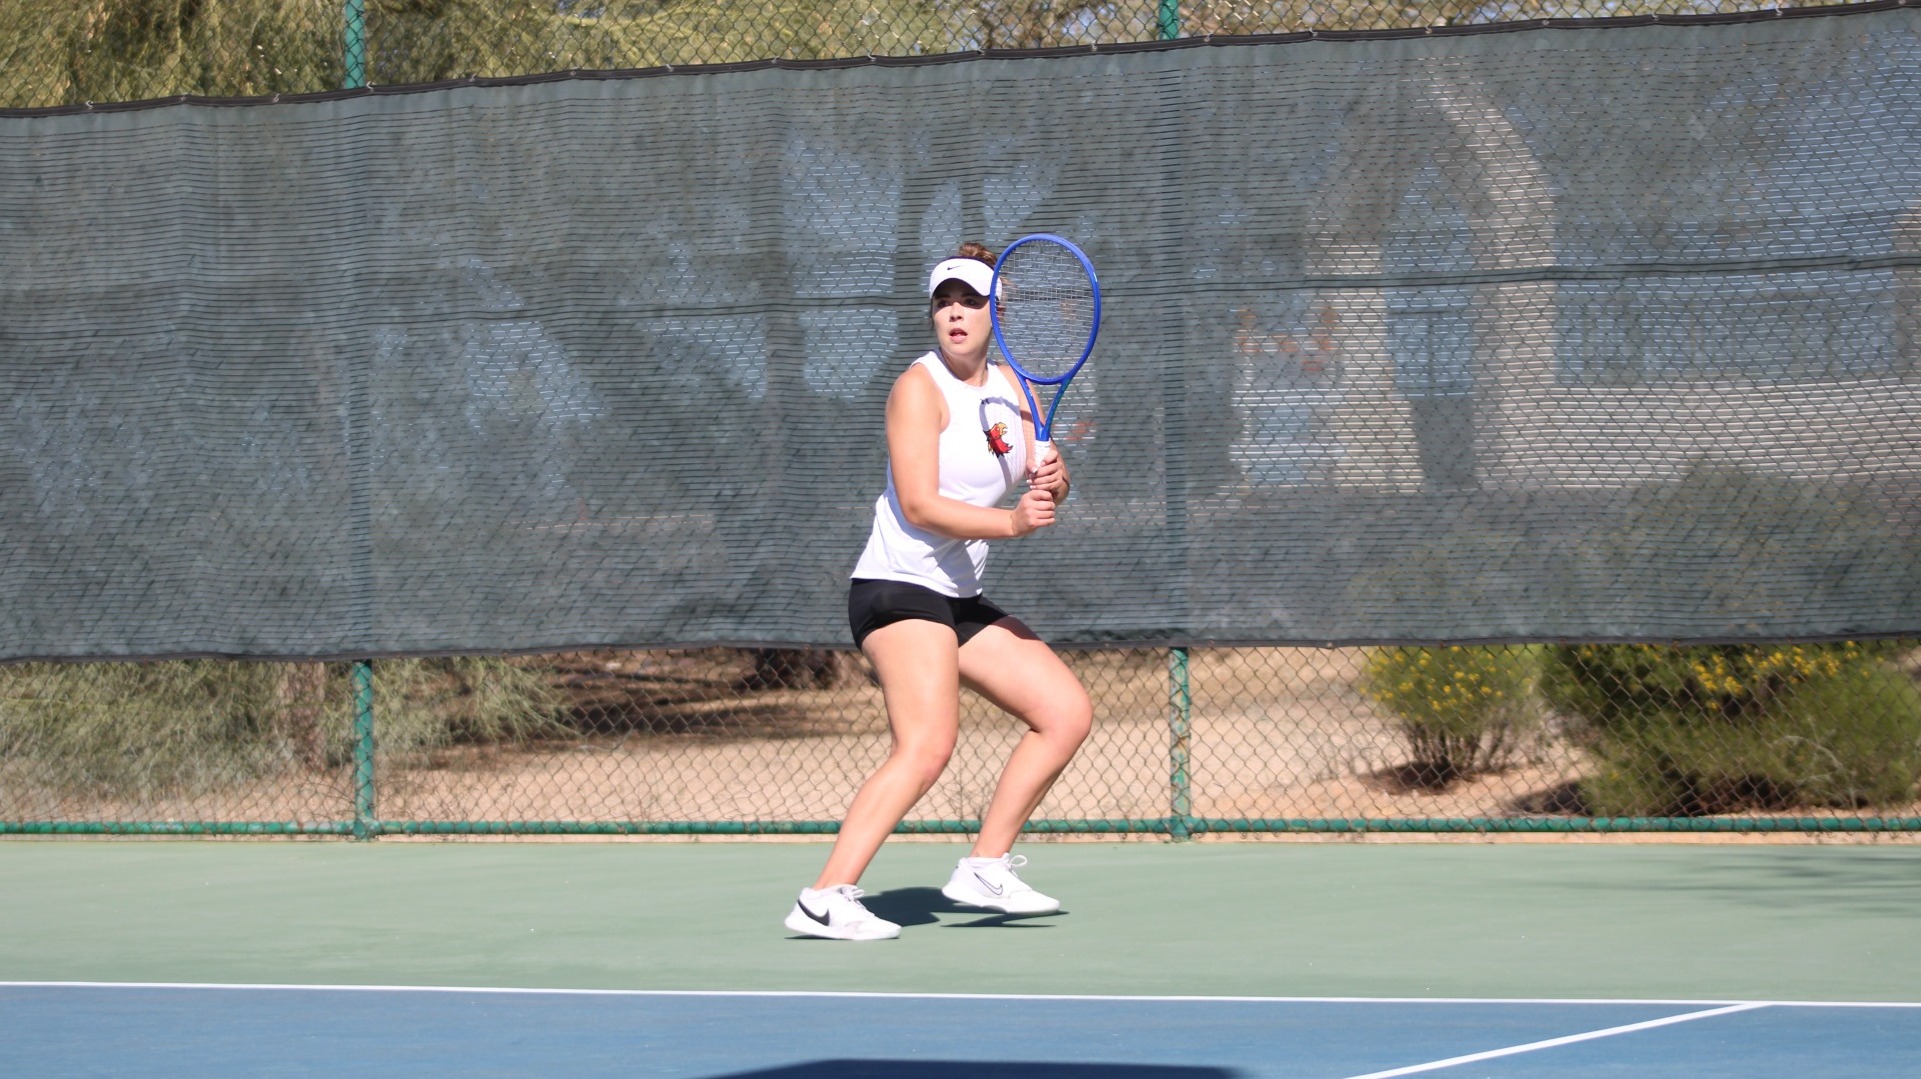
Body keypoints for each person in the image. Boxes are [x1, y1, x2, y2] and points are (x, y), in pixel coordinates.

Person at [784, 243, 1093, 941]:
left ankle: (984, 867)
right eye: (943, 301)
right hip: (896, 587)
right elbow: (921, 505)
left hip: (954, 595)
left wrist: (1053, 480)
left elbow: (1047, 483)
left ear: (998, 312)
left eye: (971, 300)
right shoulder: (916, 389)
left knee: (1065, 710)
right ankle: (823, 896)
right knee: (926, 744)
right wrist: (1013, 522)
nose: (955, 312)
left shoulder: (1017, 391)